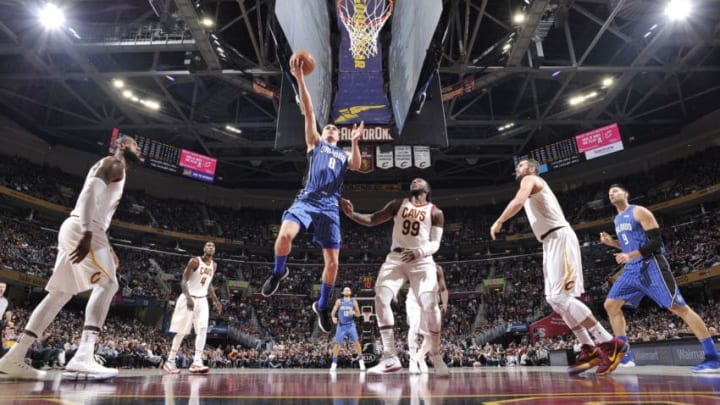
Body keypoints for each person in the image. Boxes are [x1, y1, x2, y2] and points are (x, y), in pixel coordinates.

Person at [0, 135, 140, 380]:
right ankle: (84, 354)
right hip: (84, 227)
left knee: (60, 294)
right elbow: (87, 195)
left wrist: (105, 244)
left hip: (81, 227)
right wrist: (87, 231)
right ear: (120, 145)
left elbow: (95, 206)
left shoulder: (112, 167)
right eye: (134, 145)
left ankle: (15, 356)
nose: (139, 150)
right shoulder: (114, 163)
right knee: (109, 284)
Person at [490, 158, 627, 376]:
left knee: (561, 297)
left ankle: (609, 343)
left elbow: (517, 200)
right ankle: (589, 348)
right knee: (554, 299)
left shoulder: (531, 179)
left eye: (521, 165)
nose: (517, 168)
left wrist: (499, 221)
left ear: (532, 169)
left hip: (559, 237)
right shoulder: (534, 186)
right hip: (549, 241)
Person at [261, 54, 363, 334]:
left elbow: (357, 165)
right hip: (307, 198)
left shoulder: (343, 154)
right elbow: (308, 111)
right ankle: (279, 272)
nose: (330, 128)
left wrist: (355, 142)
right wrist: (300, 79)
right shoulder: (315, 143)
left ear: (339, 136)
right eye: (327, 126)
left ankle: (321, 304)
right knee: (283, 236)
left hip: (330, 205)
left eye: (334, 128)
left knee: (333, 263)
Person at [601, 184, 720, 373]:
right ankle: (625, 356)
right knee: (610, 305)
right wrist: (613, 243)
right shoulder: (616, 220)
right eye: (609, 193)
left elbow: (656, 243)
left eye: (615, 191)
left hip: (652, 265)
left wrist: (630, 256)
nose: (611, 194)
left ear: (626, 193)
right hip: (632, 270)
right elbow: (629, 247)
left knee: (679, 308)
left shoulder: (639, 212)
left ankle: (713, 357)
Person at [341, 178, 448, 376]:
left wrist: (420, 252)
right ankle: (390, 356)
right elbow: (373, 219)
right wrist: (351, 214)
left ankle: (435, 353)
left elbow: (435, 244)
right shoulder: (398, 204)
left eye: (420, 180)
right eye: (413, 180)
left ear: (427, 189)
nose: (415, 180)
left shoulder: (435, 212)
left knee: (430, 305)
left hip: (422, 260)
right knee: (380, 296)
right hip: (396, 257)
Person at [164, 242, 222, 374]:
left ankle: (197, 361)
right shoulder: (195, 261)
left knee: (202, 330)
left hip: (202, 300)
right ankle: (170, 361)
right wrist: (188, 297)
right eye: (208, 245)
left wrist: (216, 301)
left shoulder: (214, 265)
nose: (210, 247)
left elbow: (209, 285)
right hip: (188, 298)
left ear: (215, 250)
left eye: (213, 246)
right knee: (182, 332)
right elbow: (183, 281)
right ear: (203, 248)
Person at [406, 264, 448, 374]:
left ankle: (421, 356)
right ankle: (413, 361)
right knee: (414, 325)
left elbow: (443, 289)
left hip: (431, 302)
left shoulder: (438, 269)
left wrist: (444, 304)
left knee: (431, 336)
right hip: (415, 301)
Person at [329, 287, 366, 372]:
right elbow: (333, 311)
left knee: (356, 342)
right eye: (345, 290)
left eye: (348, 290)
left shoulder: (353, 301)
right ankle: (334, 364)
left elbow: (358, 314)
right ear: (342, 292)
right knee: (337, 344)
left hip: (350, 325)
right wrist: (333, 317)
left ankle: (361, 362)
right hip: (341, 325)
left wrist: (353, 312)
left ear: (350, 292)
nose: (347, 291)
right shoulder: (339, 301)